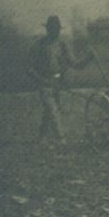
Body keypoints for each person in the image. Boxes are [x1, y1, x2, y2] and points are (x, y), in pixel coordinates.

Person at [28, 15, 93, 144]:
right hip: (44, 84)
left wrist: (88, 58)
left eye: (57, 29)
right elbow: (29, 67)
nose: (56, 31)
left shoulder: (62, 44)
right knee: (53, 110)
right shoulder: (39, 45)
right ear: (48, 29)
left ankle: (42, 137)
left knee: (49, 112)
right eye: (53, 29)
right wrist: (41, 80)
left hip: (57, 84)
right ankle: (61, 139)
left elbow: (75, 63)